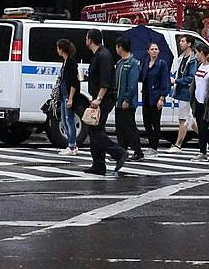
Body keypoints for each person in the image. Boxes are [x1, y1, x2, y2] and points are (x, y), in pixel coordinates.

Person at [85, 30, 127, 175]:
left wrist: (99, 99)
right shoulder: (98, 55)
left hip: (105, 97)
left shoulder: (104, 55)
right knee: (95, 129)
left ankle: (119, 153)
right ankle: (98, 164)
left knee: (95, 130)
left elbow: (105, 80)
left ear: (90, 40)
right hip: (98, 96)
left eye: (86, 38)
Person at [114, 38, 143, 160]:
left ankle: (138, 151)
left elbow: (132, 84)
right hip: (118, 101)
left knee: (130, 127)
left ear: (120, 47)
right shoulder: (120, 63)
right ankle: (122, 151)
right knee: (120, 127)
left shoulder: (132, 63)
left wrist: (127, 99)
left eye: (117, 47)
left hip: (127, 103)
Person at [142, 40, 171, 153]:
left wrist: (162, 97)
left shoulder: (162, 64)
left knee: (155, 122)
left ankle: (154, 147)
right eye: (152, 49)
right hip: (146, 95)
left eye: (156, 49)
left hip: (156, 96)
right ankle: (150, 144)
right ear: (148, 51)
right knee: (146, 122)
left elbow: (165, 80)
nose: (154, 51)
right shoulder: (145, 62)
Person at [55, 38, 82, 158]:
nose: (57, 51)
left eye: (58, 48)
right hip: (63, 94)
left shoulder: (71, 62)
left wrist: (70, 98)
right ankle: (72, 144)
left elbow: (73, 82)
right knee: (64, 120)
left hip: (68, 94)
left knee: (69, 119)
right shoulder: (65, 62)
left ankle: (72, 145)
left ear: (61, 49)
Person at [171, 34, 198, 150]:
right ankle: (206, 139)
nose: (180, 43)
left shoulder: (193, 60)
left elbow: (191, 77)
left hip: (187, 92)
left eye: (182, 41)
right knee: (190, 120)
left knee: (183, 119)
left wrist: (176, 81)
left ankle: (178, 144)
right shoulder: (181, 58)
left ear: (189, 44)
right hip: (181, 91)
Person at [192, 45, 209, 160]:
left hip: (207, 102)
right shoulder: (199, 66)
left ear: (202, 53)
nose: (196, 55)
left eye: (197, 53)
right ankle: (202, 151)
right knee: (200, 127)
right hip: (197, 100)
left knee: (203, 127)